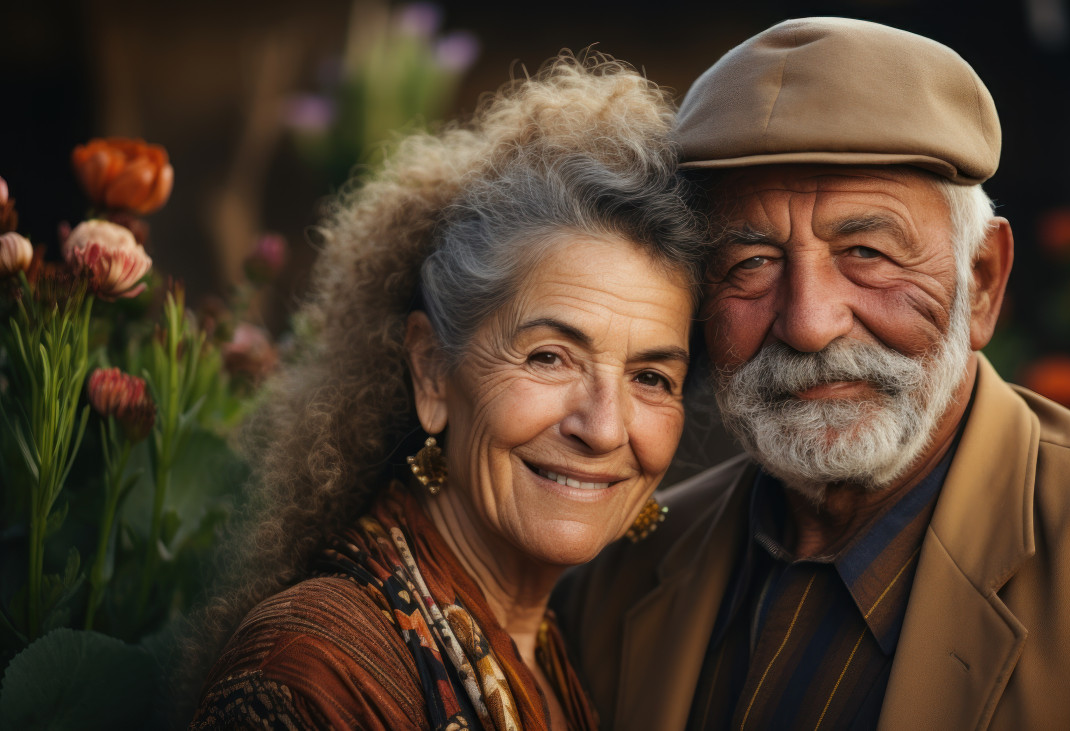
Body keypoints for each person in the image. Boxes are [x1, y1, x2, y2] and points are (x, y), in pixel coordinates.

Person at [553, 18, 1070, 730]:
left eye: (867, 251)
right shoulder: (619, 573)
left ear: (984, 282)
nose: (809, 323)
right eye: (751, 264)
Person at [189, 54, 706, 730]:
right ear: (433, 371)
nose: (605, 427)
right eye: (550, 357)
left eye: (650, 377)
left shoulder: (560, 651)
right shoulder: (311, 670)